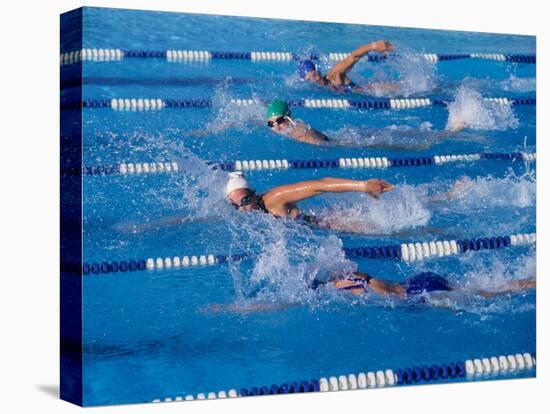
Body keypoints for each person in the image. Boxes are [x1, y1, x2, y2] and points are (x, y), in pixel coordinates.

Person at [225, 171, 394, 232]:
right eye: (236, 205)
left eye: (245, 200)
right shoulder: (252, 213)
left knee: (386, 228)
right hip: (317, 227)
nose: (243, 208)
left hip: (330, 226)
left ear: (253, 195)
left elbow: (319, 185)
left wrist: (363, 186)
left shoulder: (274, 198)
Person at [265, 100, 468, 147]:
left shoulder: (299, 130)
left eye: (280, 121)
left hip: (348, 144)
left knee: (414, 146)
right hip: (344, 137)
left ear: (289, 118)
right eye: (271, 124)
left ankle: (451, 131)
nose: (277, 127)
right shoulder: (288, 131)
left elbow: (321, 144)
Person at [298, 40, 399, 94]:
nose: (315, 80)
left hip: (375, 91)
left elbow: (353, 57)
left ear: (317, 70)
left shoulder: (334, 74)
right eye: (309, 79)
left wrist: (372, 46)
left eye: (315, 75)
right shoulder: (317, 90)